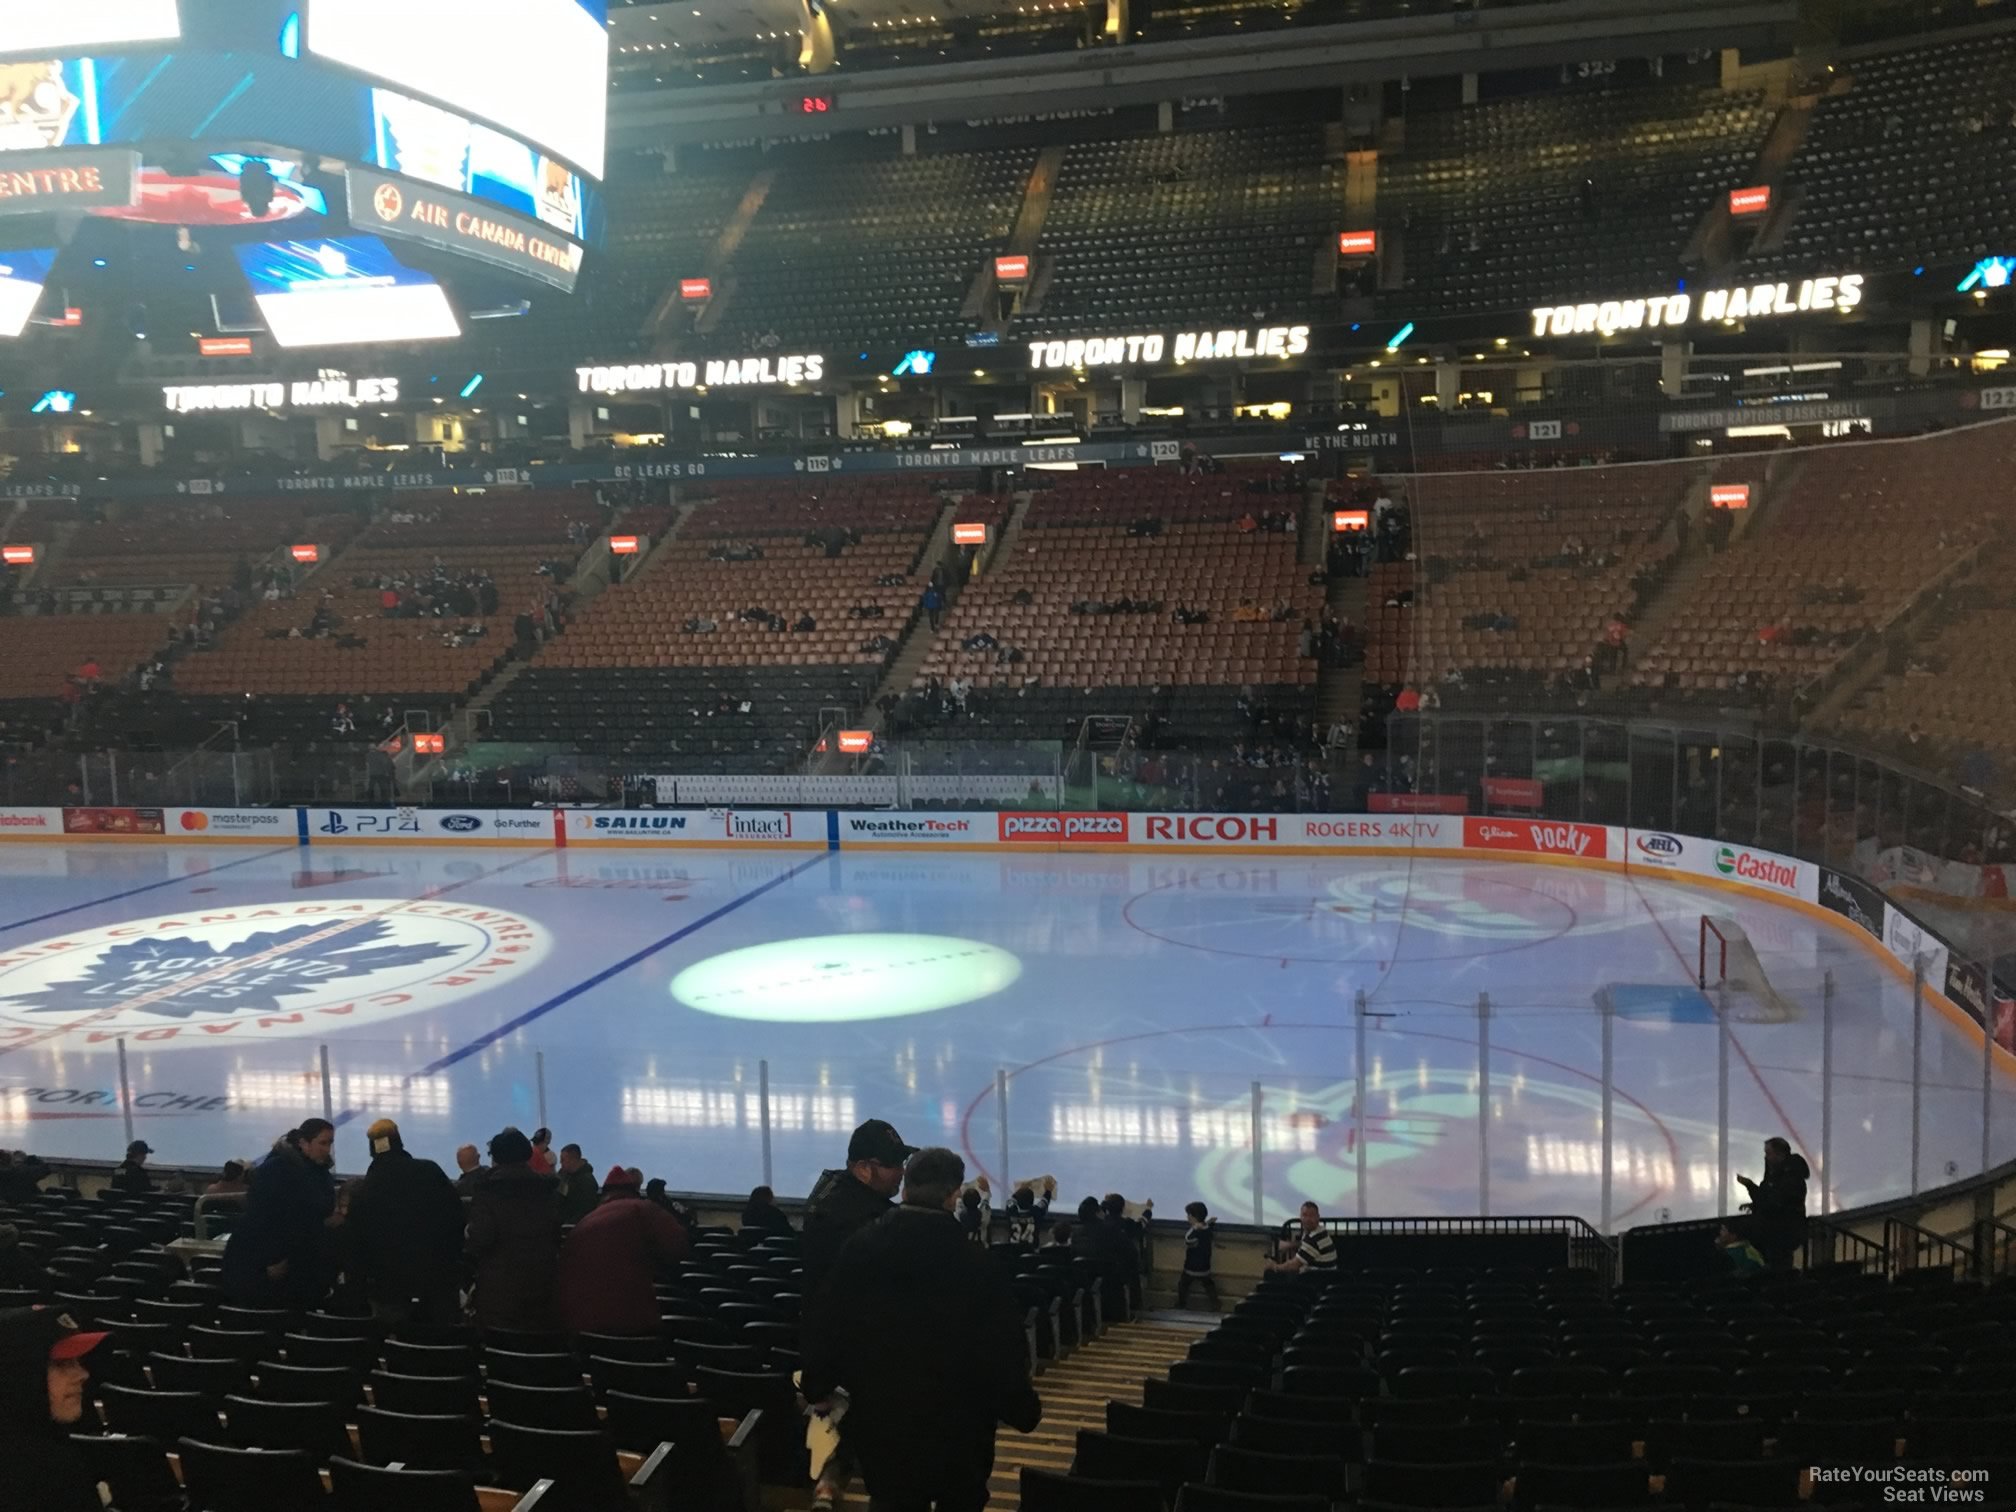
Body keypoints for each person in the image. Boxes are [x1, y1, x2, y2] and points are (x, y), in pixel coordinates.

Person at [805, 1148, 1041, 1512]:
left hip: (883, 1427)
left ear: (905, 1189)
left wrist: (817, 1384)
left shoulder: (860, 1248)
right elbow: (1000, 1347)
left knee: (892, 1501)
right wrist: (1021, 1407)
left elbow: (829, 1320)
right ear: (953, 1196)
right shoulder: (977, 1264)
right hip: (961, 1433)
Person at [802, 1118, 916, 1512]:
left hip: (838, 1356)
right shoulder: (867, 1224)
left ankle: (830, 1486)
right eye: (893, 1164)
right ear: (864, 1168)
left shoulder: (830, 1201)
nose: (901, 1172)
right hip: (866, 1361)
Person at [347, 1119, 466, 1328]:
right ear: (398, 1142)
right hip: (437, 1284)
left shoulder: (363, 1190)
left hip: (388, 1289)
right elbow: (457, 1218)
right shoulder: (430, 1171)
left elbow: (356, 1244)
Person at [0, 1307, 113, 1511]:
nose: (82, 1374)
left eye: (77, 1361)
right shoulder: (53, 1473)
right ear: (21, 1376)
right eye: (62, 1364)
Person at [556, 1166, 691, 1335]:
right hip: (632, 1324)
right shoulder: (644, 1209)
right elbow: (678, 1246)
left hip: (582, 1328)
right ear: (635, 1190)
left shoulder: (584, 1223)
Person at [221, 1120, 339, 1306]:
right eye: (322, 1143)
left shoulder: (317, 1172)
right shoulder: (278, 1171)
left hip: (296, 1262)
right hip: (263, 1265)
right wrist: (273, 1259)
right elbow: (264, 1217)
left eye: (330, 1143)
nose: (327, 1149)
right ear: (303, 1143)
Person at [466, 1126, 563, 1333]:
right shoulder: (547, 1190)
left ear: (496, 1158)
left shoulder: (487, 1190)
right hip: (542, 1284)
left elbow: (481, 1238)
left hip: (499, 1291)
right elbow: (555, 1233)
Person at [1737, 1136, 1810, 1268]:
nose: (1766, 1157)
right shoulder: (1775, 1174)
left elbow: (1775, 1204)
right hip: (1775, 1232)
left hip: (1782, 1233)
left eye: (1768, 1153)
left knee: (1779, 1265)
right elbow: (1767, 1198)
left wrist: (1751, 1188)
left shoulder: (1790, 1178)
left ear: (1780, 1155)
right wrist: (1753, 1195)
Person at [1267, 1201, 1337, 1276]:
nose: (1307, 1219)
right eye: (1304, 1215)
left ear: (1318, 1217)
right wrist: (1290, 1245)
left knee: (1271, 1274)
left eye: (1311, 1216)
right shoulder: (1320, 1230)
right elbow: (1305, 1246)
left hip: (1318, 1280)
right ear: (1300, 1216)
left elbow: (1293, 1265)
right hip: (1323, 1276)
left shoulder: (1313, 1238)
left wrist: (1274, 1267)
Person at [1177, 1201, 1220, 1310]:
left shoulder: (1196, 1232)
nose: (1187, 1217)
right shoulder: (1207, 1229)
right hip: (1205, 1266)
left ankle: (1181, 1304)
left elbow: (1187, 1240)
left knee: (1183, 1285)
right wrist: (1209, 1223)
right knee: (1209, 1284)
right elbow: (1208, 1228)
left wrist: (1195, 1228)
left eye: (1188, 1215)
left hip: (1191, 1267)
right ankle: (1215, 1304)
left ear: (1193, 1217)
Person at [556, 1143, 599, 1226]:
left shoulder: (588, 1182)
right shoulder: (562, 1175)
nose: (560, 1162)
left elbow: (586, 1210)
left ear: (573, 1159)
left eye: (563, 1159)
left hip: (575, 1227)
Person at [1002, 1179, 1055, 1247]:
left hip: (1013, 1253)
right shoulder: (1036, 1212)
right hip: (1032, 1252)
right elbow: (1044, 1202)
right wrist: (1048, 1191)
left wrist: (1021, 1189)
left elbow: (1011, 1201)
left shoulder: (1011, 1211)